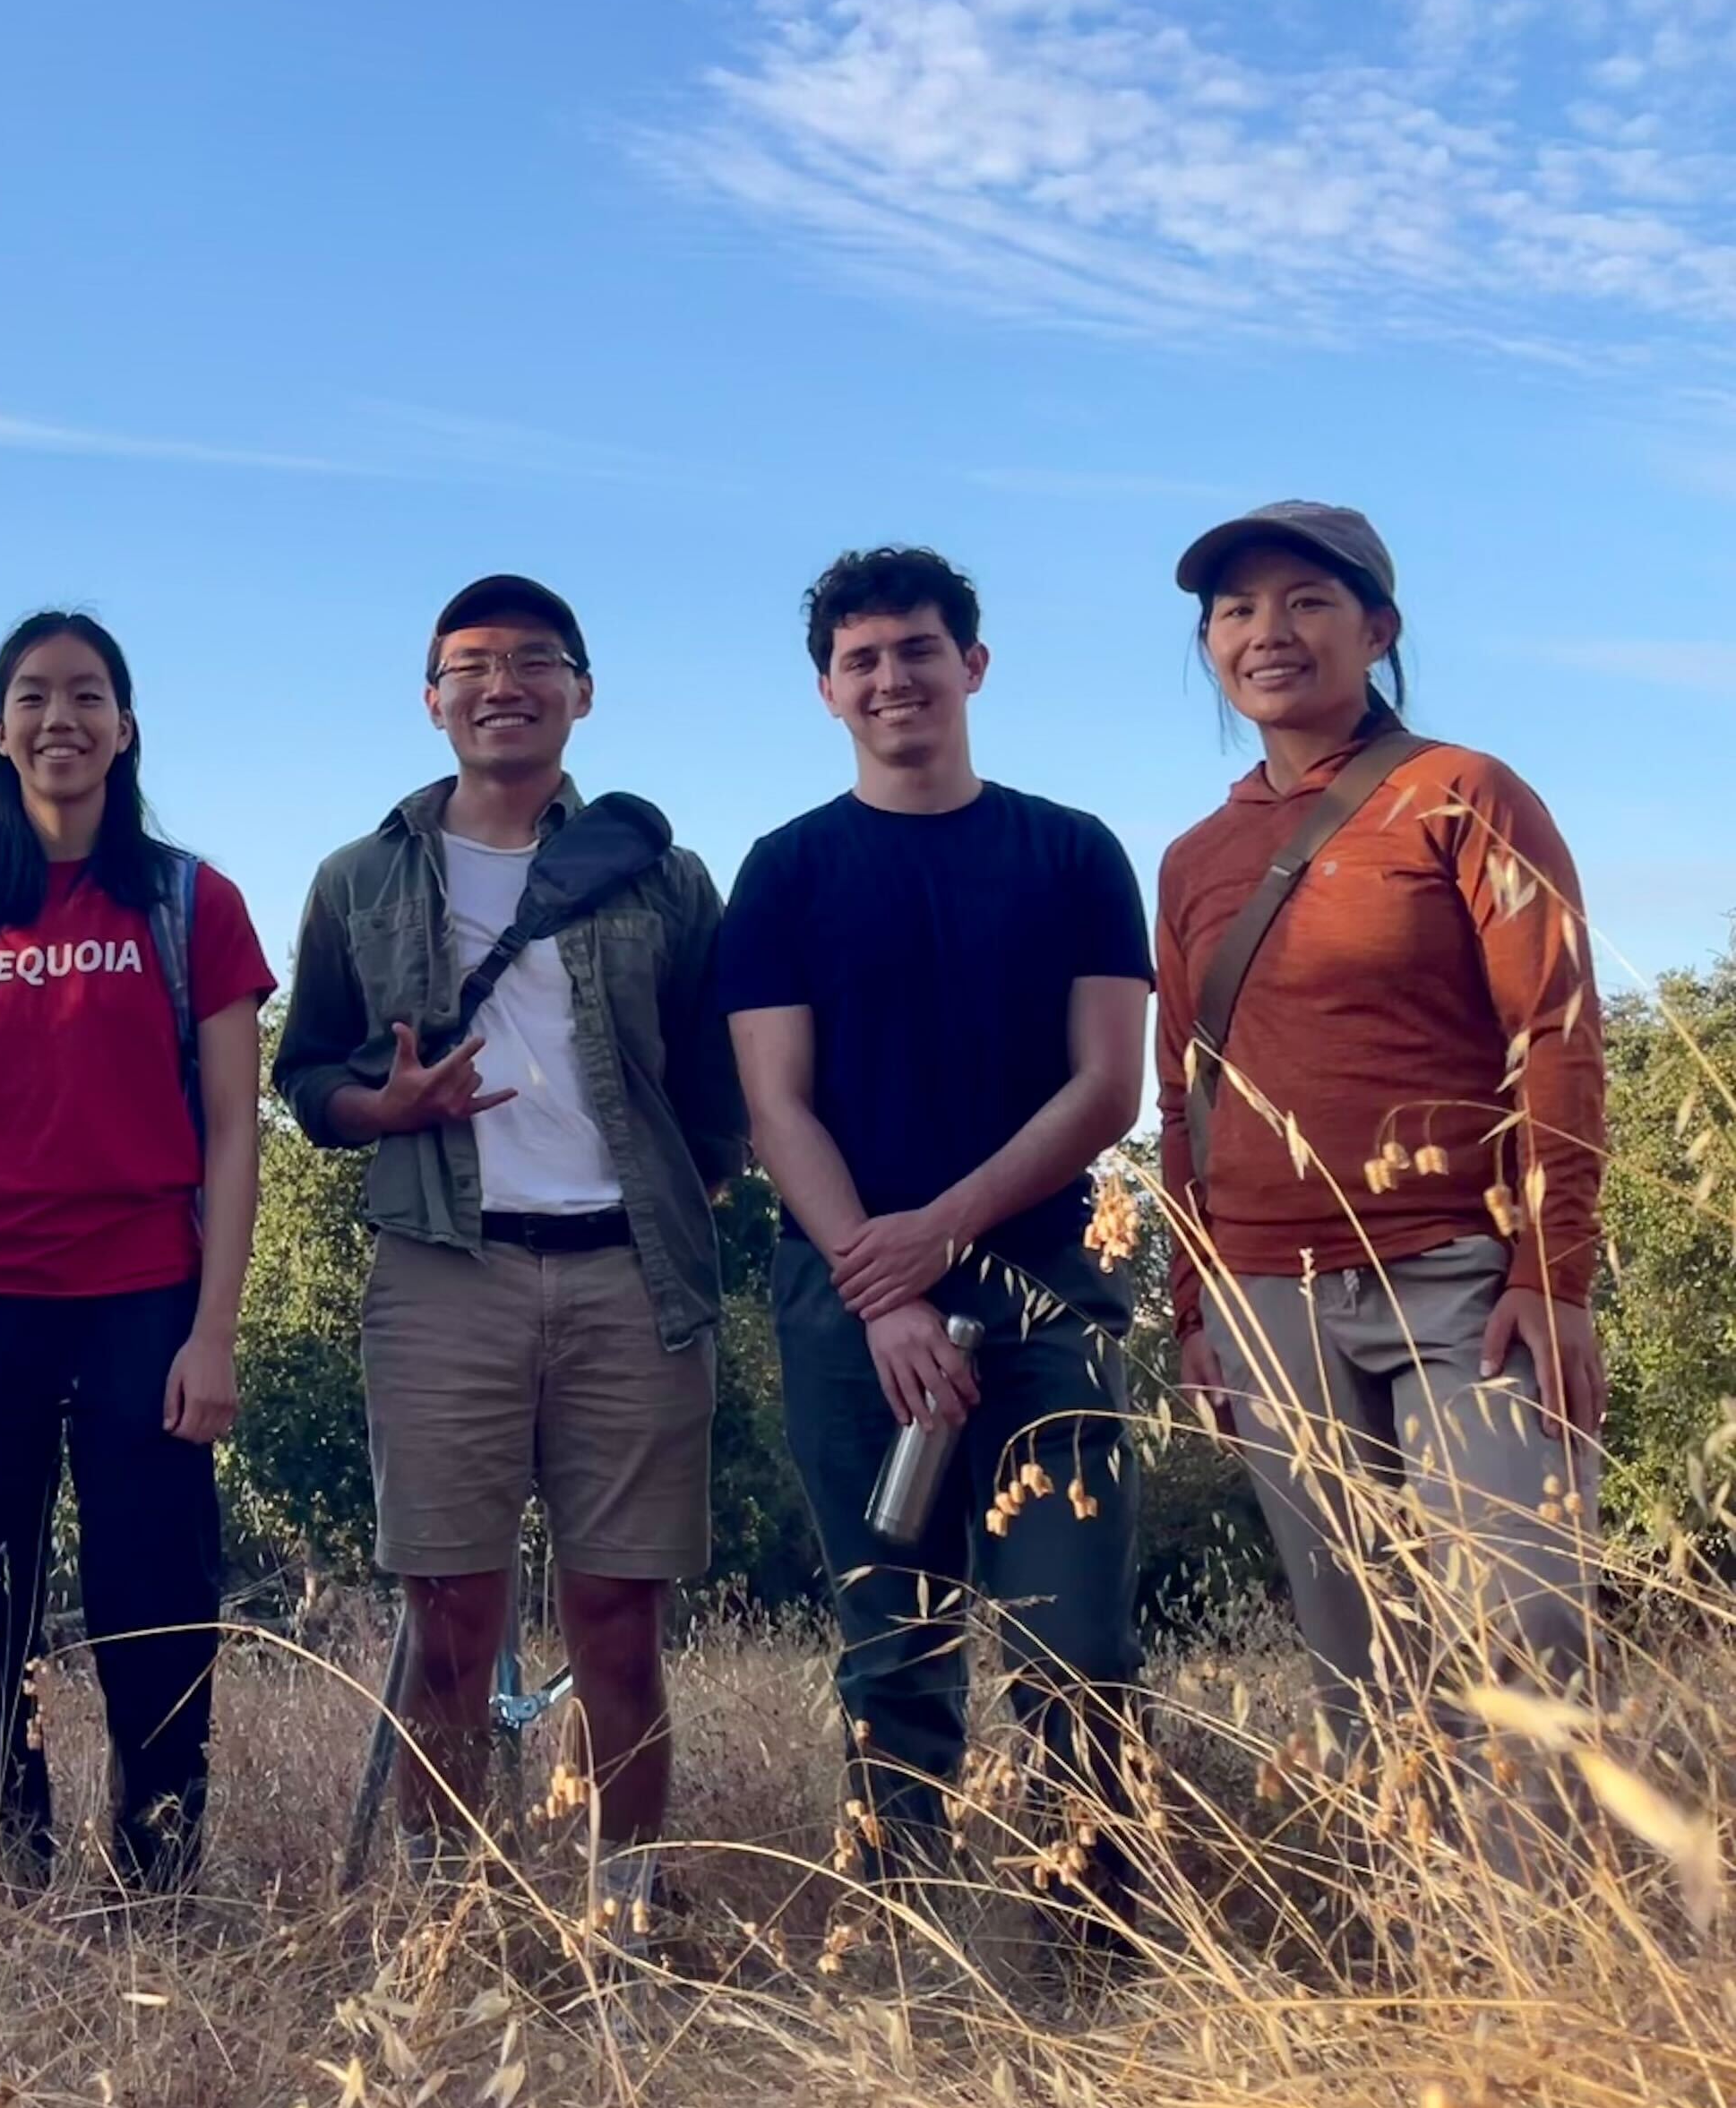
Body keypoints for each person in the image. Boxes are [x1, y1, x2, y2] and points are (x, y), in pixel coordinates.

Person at [273, 575, 744, 1947]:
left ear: (582, 692)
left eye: (536, 661)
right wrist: (386, 1110)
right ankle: (445, 1925)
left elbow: (717, 1092)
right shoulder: (359, 878)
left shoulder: (664, 873)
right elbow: (308, 1079)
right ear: (431, 700)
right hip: (441, 1269)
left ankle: (623, 1915)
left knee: (618, 1623)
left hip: (629, 1274)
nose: (504, 684)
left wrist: (663, 1197)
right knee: (450, 1621)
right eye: (470, 665)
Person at [719, 546, 1150, 1933]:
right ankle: (906, 1943)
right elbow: (774, 1104)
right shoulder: (784, 872)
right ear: (825, 690)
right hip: (843, 1296)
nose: (891, 678)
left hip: (1046, 1289)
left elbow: (1107, 1088)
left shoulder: (1073, 851)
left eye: (917, 649)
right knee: (893, 1641)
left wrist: (946, 1235)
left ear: (971, 666)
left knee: (1071, 1640)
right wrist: (881, 1290)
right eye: (862, 659)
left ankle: (1101, 1938)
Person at [1157, 503, 1603, 1816]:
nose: (1267, 633)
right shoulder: (1193, 857)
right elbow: (1183, 1092)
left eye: (1304, 601)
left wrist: (1555, 1273)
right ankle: (1416, 1959)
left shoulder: (1464, 792)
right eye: (1234, 612)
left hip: (1461, 1276)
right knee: (1356, 1663)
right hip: (1265, 1300)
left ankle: (1536, 1980)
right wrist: (1194, 1309)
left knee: (1515, 1629)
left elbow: (1559, 1038)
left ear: (1379, 628)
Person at [0, 613, 274, 1896]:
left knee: (152, 1601)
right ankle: (8, 1879)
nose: (61, 720)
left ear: (125, 727)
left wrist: (215, 1331)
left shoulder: (190, 901)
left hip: (144, 1297)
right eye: (33, 697)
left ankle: (159, 1883)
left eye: (88, 696)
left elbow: (232, 1133)